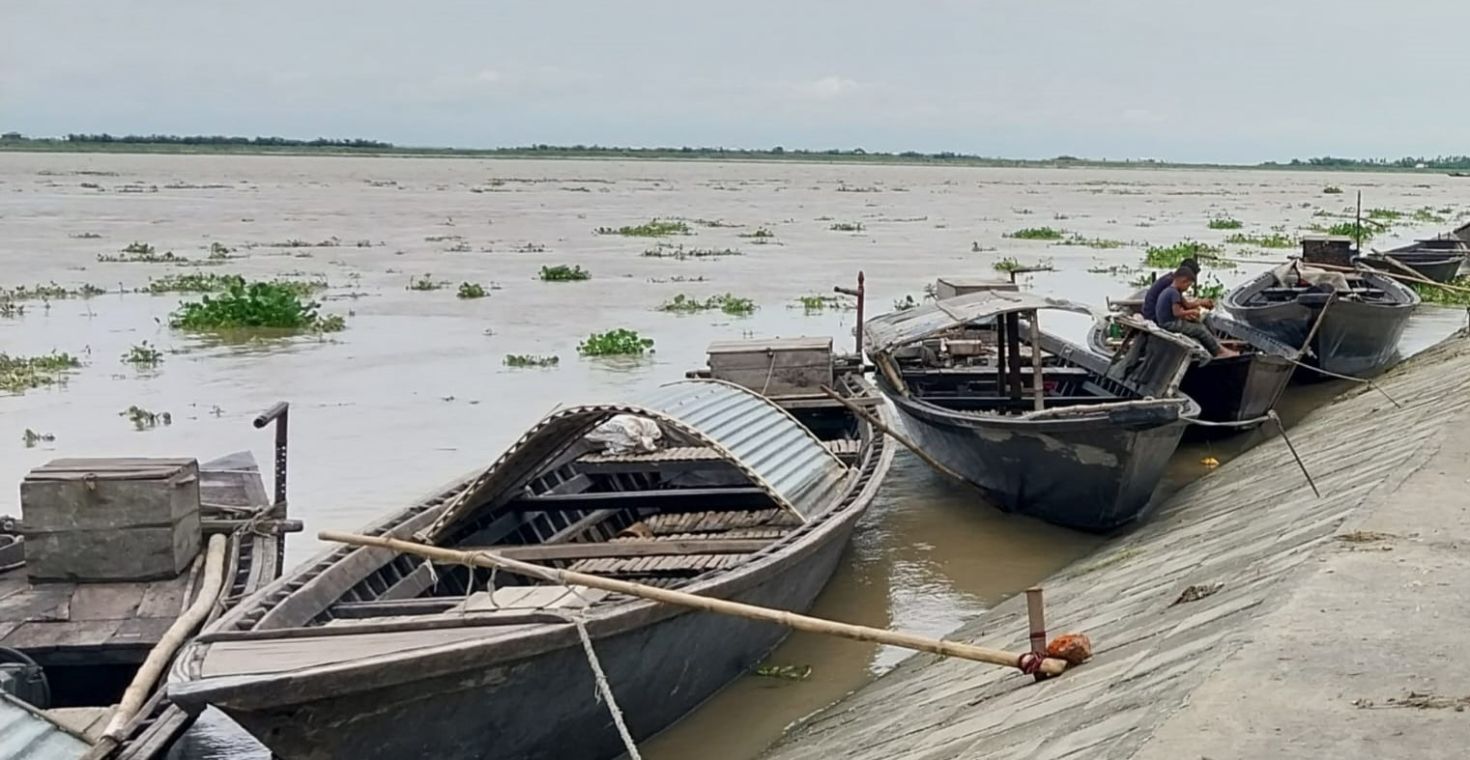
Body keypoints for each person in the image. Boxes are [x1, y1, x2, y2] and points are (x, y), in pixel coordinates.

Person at [1154, 266, 1239, 358]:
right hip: (1169, 324)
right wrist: (1192, 312)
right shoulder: (1173, 293)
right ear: (1183, 281)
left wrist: (1201, 304)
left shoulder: (1173, 291)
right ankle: (1219, 352)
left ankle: (1215, 344)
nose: (1187, 288)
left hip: (1168, 321)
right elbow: (1177, 313)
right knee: (1200, 329)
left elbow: (1187, 305)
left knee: (1200, 321)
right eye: (1188, 285)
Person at [1140, 258, 1213, 323]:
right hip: (1153, 315)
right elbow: (1185, 306)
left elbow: (1184, 303)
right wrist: (1198, 305)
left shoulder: (1173, 280)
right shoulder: (1171, 285)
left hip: (1153, 312)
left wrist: (1199, 303)